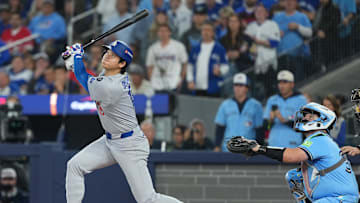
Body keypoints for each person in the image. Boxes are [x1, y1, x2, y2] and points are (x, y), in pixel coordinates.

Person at [62, 40, 183, 203]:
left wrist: (76, 59)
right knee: (74, 166)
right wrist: (72, 61)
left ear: (122, 63)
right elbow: (86, 76)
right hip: (110, 140)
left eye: (112, 56)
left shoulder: (112, 86)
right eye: (107, 52)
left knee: (148, 199)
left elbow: (84, 78)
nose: (106, 56)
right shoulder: (107, 76)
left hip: (129, 145)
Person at [228, 102, 359, 202]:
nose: (305, 117)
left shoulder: (320, 139)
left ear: (322, 120)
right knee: (293, 176)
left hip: (340, 199)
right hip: (336, 199)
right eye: (306, 115)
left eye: (311, 115)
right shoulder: (321, 140)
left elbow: (292, 156)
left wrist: (260, 149)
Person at [214, 73, 263, 152]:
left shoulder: (256, 105)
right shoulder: (225, 105)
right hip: (228, 150)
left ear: (246, 88)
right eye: (236, 85)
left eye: (241, 85)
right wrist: (216, 146)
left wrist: (259, 148)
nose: (237, 88)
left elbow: (259, 130)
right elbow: (220, 128)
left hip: (248, 150)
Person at [263, 70, 307, 148]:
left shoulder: (301, 100)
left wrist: (282, 119)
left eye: (285, 82)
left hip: (292, 145)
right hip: (273, 144)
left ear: (292, 84)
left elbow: (302, 126)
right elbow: (267, 127)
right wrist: (271, 121)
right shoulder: (272, 100)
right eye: (280, 82)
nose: (281, 85)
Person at [187, 21, 229, 97]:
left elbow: (225, 66)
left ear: (213, 33)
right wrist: (190, 80)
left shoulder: (219, 48)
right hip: (197, 86)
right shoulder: (195, 48)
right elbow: (190, 66)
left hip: (213, 87)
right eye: (204, 30)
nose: (206, 32)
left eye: (208, 30)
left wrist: (220, 71)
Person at [273, 0, 312, 81]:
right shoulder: (277, 17)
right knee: (283, 81)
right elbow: (270, 35)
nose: (289, 2)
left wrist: (298, 27)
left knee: (298, 81)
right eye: (287, 0)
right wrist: (276, 34)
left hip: (298, 56)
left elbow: (309, 33)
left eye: (292, 0)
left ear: (296, 3)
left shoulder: (302, 16)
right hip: (281, 57)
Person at [146, 23, 188, 92]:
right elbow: (150, 66)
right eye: (161, 31)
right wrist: (152, 80)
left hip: (173, 83)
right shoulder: (153, 48)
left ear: (170, 32)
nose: (163, 33)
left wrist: (181, 79)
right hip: (157, 84)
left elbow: (184, 64)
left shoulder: (179, 46)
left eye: (165, 31)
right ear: (158, 33)